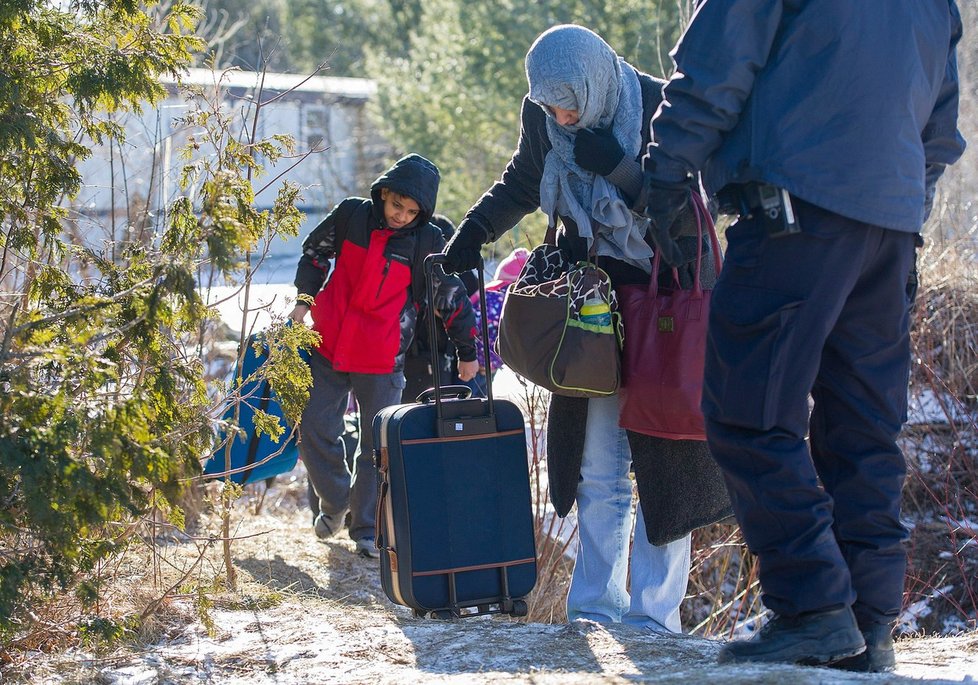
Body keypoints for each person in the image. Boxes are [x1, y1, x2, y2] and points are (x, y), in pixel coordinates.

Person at [638, 0, 966, 670]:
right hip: (890, 229)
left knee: (747, 410)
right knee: (863, 426)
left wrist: (665, 176)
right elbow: (940, 126)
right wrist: (900, 205)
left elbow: (713, 68)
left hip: (793, 209)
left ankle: (813, 605)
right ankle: (868, 622)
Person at [444, 25, 731, 634]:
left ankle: (655, 620)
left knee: (666, 469)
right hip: (590, 308)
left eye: (568, 102)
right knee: (599, 470)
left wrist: (624, 171)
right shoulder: (545, 116)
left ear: (596, 81)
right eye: (549, 104)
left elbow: (690, 207)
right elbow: (524, 181)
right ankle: (597, 609)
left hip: (666, 302)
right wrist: (472, 232)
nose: (561, 115)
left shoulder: (658, 105)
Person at [290, 153, 480, 558]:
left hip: (382, 355)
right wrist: (304, 300)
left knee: (378, 449)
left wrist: (468, 350)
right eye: (396, 205)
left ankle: (365, 528)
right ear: (384, 193)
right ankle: (335, 499)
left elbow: (450, 295)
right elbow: (315, 252)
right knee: (311, 427)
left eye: (412, 212)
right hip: (328, 343)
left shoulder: (428, 241)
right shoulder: (350, 216)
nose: (400, 216)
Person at [466, 246, 531, 397]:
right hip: (480, 362)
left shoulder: (491, 293)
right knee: (476, 401)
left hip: (481, 361)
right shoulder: (501, 299)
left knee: (474, 402)